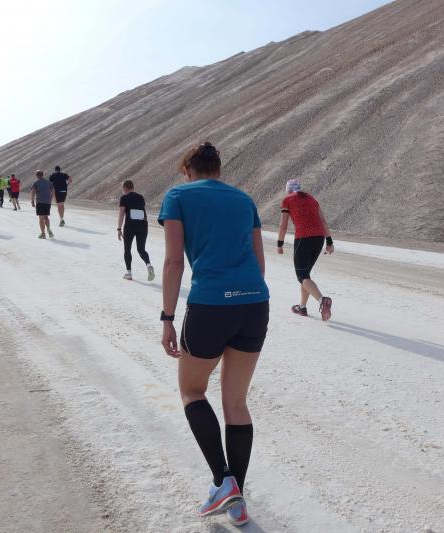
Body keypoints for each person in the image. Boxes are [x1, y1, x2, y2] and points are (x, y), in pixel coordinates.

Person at [159, 142, 269, 527]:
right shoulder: (244, 200)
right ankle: (237, 503)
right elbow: (259, 263)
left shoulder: (178, 196)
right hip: (254, 303)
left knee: (192, 391)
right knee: (236, 403)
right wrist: (244, 294)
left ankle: (223, 482)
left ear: (187, 169)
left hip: (210, 305)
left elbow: (173, 262)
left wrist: (167, 317)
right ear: (219, 170)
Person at [276, 179, 334, 321]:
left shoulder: (287, 200)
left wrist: (279, 244)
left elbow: (283, 226)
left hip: (303, 239)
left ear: (288, 190)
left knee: (302, 276)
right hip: (319, 238)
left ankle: (322, 300)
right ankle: (302, 307)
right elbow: (323, 221)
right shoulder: (311, 199)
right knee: (306, 275)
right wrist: (329, 242)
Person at [118, 180, 155, 281]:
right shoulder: (140, 197)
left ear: (125, 188)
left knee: (127, 249)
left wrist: (119, 228)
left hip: (130, 226)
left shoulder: (124, 198)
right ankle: (148, 265)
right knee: (141, 249)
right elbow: (142, 211)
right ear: (133, 187)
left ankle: (129, 273)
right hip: (143, 225)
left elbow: (121, 214)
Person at [30, 170, 55, 239]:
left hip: (40, 202)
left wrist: (32, 201)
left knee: (41, 218)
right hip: (47, 202)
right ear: (42, 175)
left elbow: (33, 192)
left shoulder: (36, 182)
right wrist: (50, 199)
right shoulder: (48, 182)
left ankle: (43, 234)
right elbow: (53, 191)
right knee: (46, 217)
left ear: (37, 175)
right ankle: (48, 229)